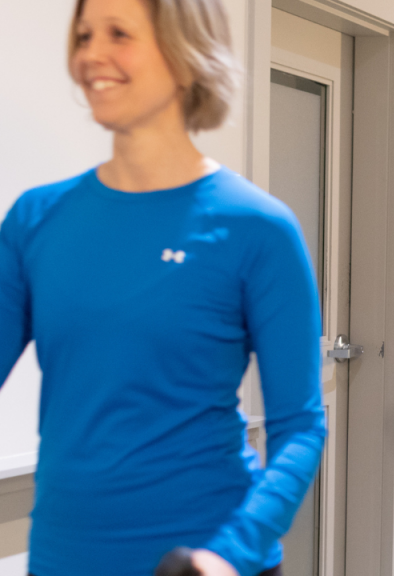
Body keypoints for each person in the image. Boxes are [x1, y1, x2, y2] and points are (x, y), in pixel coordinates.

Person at [0, 1, 326, 575]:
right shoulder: (35, 220)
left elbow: (299, 426)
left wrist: (231, 554)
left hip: (203, 557)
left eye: (119, 34)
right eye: (83, 36)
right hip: (63, 556)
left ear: (185, 53)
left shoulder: (258, 228)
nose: (91, 56)